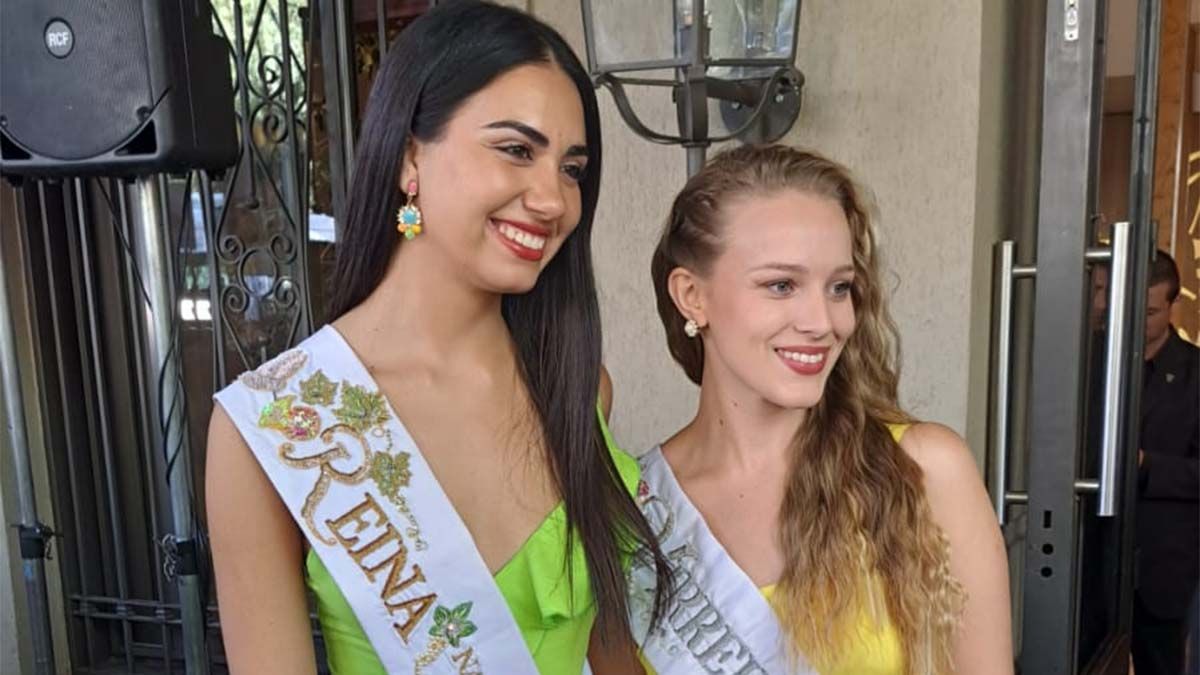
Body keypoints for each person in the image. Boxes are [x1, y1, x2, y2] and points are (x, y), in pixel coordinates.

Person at [205, 2, 670, 673]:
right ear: (408, 157)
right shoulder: (277, 424)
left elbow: (610, 652)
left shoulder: (576, 387)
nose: (554, 199)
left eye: (571, 168)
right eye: (516, 150)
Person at [621, 145, 1012, 674]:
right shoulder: (637, 510)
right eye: (781, 285)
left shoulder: (922, 469)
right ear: (692, 295)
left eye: (839, 288)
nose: (823, 322)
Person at [1132, 250, 1199, 675]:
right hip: (1095, 563)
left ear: (1173, 305)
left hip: (1164, 567)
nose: (1139, 321)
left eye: (1151, 312)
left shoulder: (1196, 373)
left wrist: (1147, 466)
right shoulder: (1093, 359)